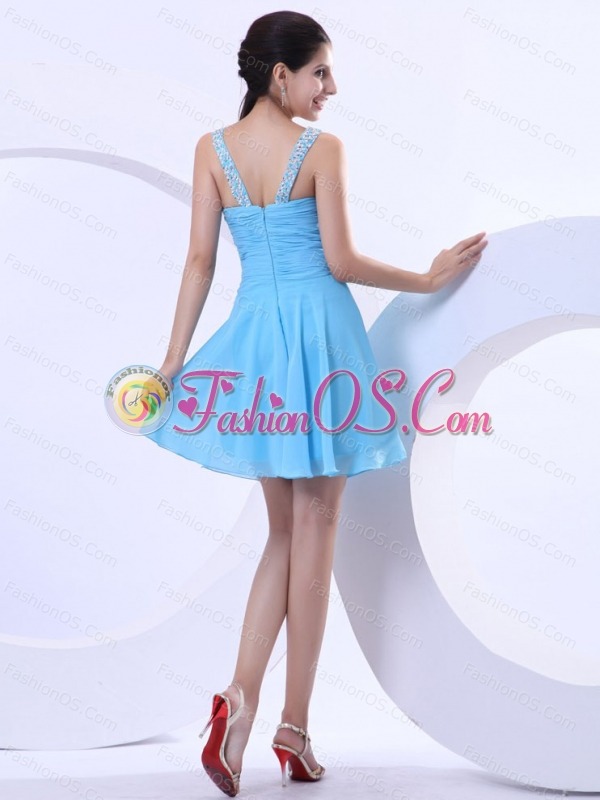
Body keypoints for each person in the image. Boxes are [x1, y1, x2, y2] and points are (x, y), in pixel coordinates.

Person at [146, 10, 487, 797]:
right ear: (281, 75)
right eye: (320, 72)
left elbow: (198, 262)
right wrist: (428, 277)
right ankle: (293, 729)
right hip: (322, 344)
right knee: (317, 532)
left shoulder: (211, 150)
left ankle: (239, 698)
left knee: (280, 533)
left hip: (258, 349)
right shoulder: (321, 149)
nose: (331, 87)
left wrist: (172, 362)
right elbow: (339, 261)